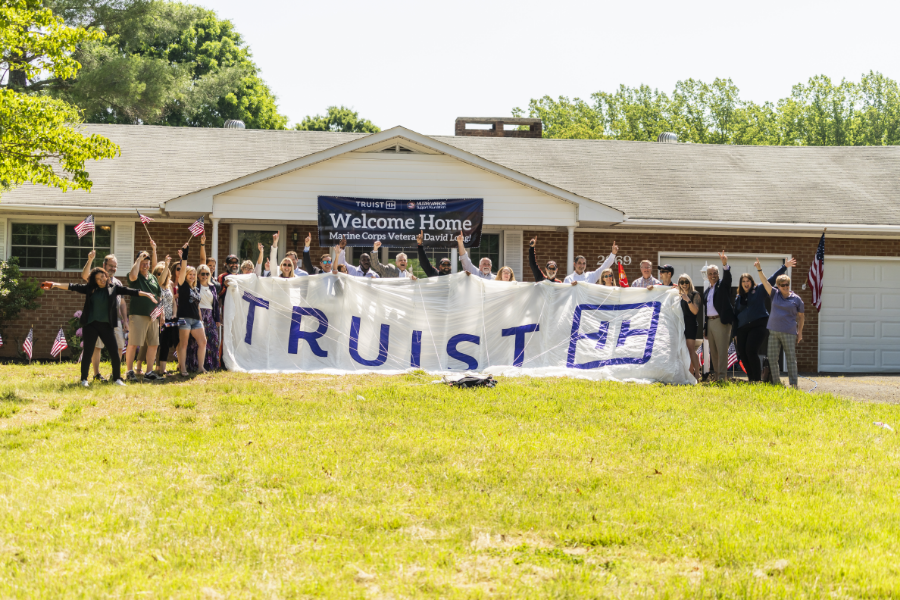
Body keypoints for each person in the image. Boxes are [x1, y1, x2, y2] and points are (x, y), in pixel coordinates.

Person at [41, 269, 156, 387]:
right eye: (98, 278)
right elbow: (72, 286)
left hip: (106, 326)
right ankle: (84, 379)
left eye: (103, 277)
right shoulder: (90, 288)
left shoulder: (113, 288)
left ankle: (117, 378)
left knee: (114, 353)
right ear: (94, 280)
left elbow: (130, 291)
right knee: (88, 352)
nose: (101, 280)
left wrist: (146, 294)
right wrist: (54, 285)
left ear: (106, 276)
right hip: (91, 325)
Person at [733, 258, 796, 382]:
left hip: (758, 325)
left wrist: (785, 266)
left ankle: (756, 380)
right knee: (743, 354)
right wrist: (734, 333)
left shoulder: (759, 290)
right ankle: (751, 378)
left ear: (752, 282)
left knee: (751, 351)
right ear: (741, 284)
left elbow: (772, 279)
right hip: (742, 329)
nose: (746, 283)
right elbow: (736, 315)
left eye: (748, 281)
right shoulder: (738, 297)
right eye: (743, 281)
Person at [756, 261, 805, 388]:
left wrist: (800, 332)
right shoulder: (774, 294)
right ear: (777, 286)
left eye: (787, 284)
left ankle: (793, 384)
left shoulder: (796, 299)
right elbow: (766, 282)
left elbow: (801, 316)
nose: (785, 286)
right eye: (782, 285)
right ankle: (776, 383)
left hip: (789, 332)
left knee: (791, 359)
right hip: (773, 331)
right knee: (772, 358)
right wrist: (759, 270)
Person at [81, 251, 127, 381]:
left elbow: (122, 303)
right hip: (100, 320)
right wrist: (90, 260)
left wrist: (125, 320)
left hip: (115, 320)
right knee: (97, 346)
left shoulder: (118, 283)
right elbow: (84, 275)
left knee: (118, 346)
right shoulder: (97, 281)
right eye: (110, 265)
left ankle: (115, 374)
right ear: (104, 265)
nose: (113, 268)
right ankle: (96, 374)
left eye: (115, 266)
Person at [124, 248, 161, 381]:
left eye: (147, 262)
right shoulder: (134, 275)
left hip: (153, 316)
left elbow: (158, 295)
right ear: (137, 262)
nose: (145, 265)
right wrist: (139, 258)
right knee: (134, 343)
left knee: (153, 344)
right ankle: (129, 371)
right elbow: (132, 276)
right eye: (142, 262)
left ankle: (149, 372)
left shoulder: (152, 277)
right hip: (138, 314)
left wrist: (159, 313)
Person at [701, 251, 735, 382]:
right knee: (713, 352)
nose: (713, 275)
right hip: (710, 323)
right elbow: (706, 311)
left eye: (715, 273)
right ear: (707, 276)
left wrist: (725, 264)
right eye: (710, 273)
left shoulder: (723, 285)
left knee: (721, 351)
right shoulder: (707, 291)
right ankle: (716, 376)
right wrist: (705, 327)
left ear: (718, 274)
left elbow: (728, 279)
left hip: (721, 322)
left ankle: (722, 378)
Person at [175, 243, 207, 376]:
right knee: (184, 344)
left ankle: (201, 367)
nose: (192, 276)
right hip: (184, 318)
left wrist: (200, 319)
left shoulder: (195, 288)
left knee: (203, 342)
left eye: (194, 274)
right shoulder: (182, 285)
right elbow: (182, 270)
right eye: (190, 274)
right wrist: (185, 255)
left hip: (195, 319)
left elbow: (197, 305)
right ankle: (183, 369)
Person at [186, 264, 220, 372]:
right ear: (198, 275)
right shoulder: (195, 286)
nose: (205, 276)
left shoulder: (212, 287)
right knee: (196, 342)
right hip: (198, 315)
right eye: (202, 274)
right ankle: (195, 365)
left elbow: (215, 304)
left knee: (212, 340)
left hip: (210, 316)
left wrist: (217, 319)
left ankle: (211, 365)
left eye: (207, 274)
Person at [151, 260, 179, 379]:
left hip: (169, 318)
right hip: (158, 318)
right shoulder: (156, 285)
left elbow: (173, 301)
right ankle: (150, 369)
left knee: (166, 343)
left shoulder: (170, 285)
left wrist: (174, 314)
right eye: (158, 273)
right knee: (156, 344)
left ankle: (162, 369)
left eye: (164, 272)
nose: (161, 275)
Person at [677, 274, 703, 382]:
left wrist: (688, 300)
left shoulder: (694, 294)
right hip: (681, 325)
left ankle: (697, 373)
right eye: (681, 282)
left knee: (691, 349)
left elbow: (695, 311)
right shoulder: (679, 295)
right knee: (685, 349)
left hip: (691, 324)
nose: (684, 284)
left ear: (690, 282)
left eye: (686, 282)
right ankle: (690, 373)